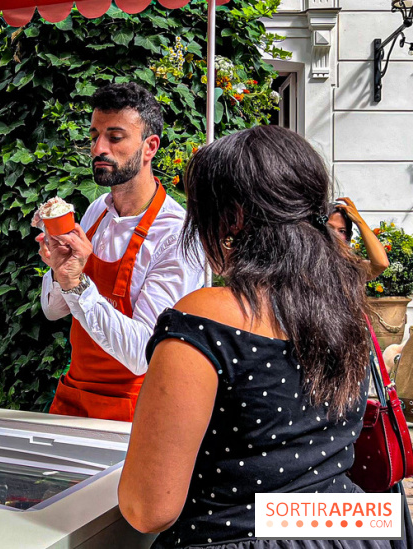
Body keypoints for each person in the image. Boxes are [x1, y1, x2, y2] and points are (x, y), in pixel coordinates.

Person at [118, 125, 403, 548]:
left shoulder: (206, 317)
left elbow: (149, 508)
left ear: (232, 218)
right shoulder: (343, 305)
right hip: (351, 527)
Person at [37, 82, 203, 422]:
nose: (98, 148)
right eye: (95, 135)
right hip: (74, 398)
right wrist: (59, 269)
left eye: (115, 137)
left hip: (135, 409)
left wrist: (76, 284)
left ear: (149, 147)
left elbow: (142, 353)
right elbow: (53, 311)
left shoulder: (176, 235)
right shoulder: (96, 210)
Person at [327, 197, 389, 280]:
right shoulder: (309, 261)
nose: (335, 235)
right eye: (329, 228)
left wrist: (359, 221)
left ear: (348, 236)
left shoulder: (350, 268)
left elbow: (381, 264)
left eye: (342, 231)